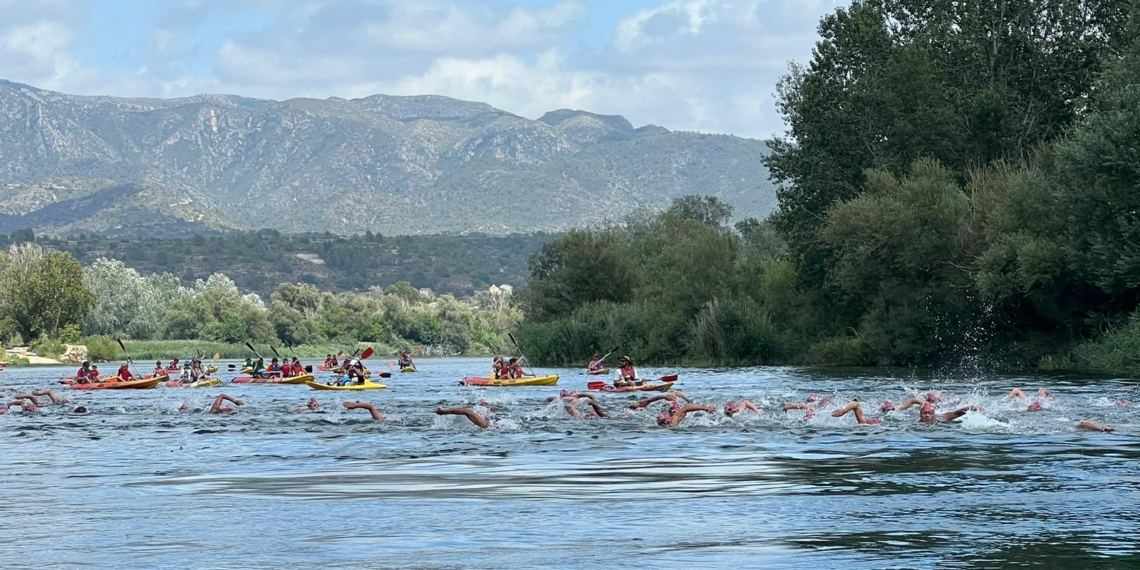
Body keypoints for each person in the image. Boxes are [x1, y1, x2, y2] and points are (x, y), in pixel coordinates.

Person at [918, 402, 985, 423]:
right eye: (924, 413)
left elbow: (956, 413)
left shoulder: (940, 417)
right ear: (920, 415)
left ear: (934, 414)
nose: (927, 415)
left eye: (930, 413)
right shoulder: (917, 424)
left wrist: (973, 408)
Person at [629, 391, 693, 410]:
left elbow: (651, 399)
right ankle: (688, 400)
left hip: (665, 402)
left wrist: (664, 397)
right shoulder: (641, 406)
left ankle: (688, 400)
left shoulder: (643, 403)